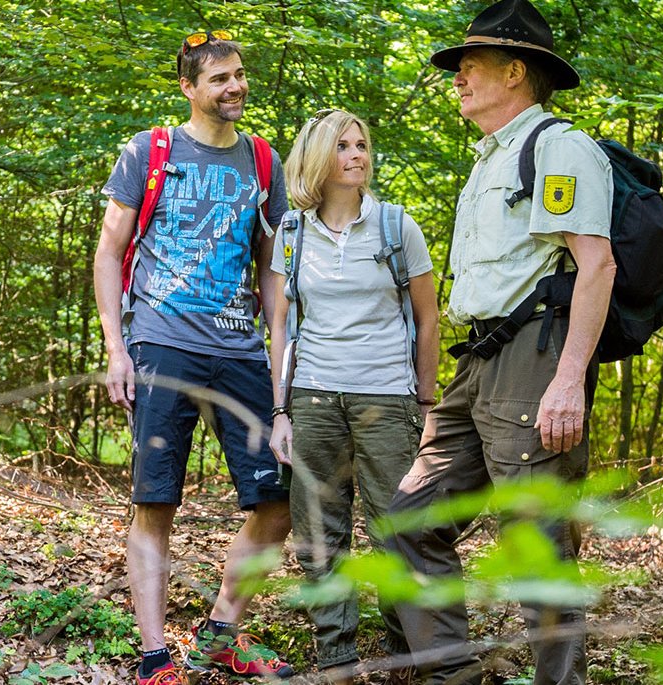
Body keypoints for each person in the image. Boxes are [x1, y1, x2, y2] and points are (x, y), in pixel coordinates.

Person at [380, 1, 615, 684]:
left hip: (533, 359)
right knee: (409, 520)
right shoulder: (492, 156)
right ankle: (453, 671)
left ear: (515, 72)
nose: (458, 78)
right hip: (477, 360)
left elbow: (596, 266)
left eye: (470, 65)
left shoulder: (558, 147)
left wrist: (569, 378)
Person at [92, 29, 297, 685]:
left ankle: (218, 634)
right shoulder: (149, 150)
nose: (234, 86)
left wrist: (280, 356)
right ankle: (156, 658)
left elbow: (272, 272)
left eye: (238, 75)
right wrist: (115, 346)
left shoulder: (264, 162)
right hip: (160, 343)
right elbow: (107, 252)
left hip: (241, 350)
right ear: (188, 88)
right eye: (218, 79)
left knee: (277, 502)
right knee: (156, 502)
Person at [262, 109, 440, 677]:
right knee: (319, 534)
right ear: (318, 158)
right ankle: (336, 654)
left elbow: (428, 319)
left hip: (387, 400)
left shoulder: (395, 226)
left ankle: (406, 654)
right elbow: (282, 327)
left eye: (362, 144)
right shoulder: (291, 232)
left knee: (398, 530)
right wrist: (280, 410)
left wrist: (428, 404)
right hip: (312, 399)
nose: (357, 154)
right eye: (344, 146)